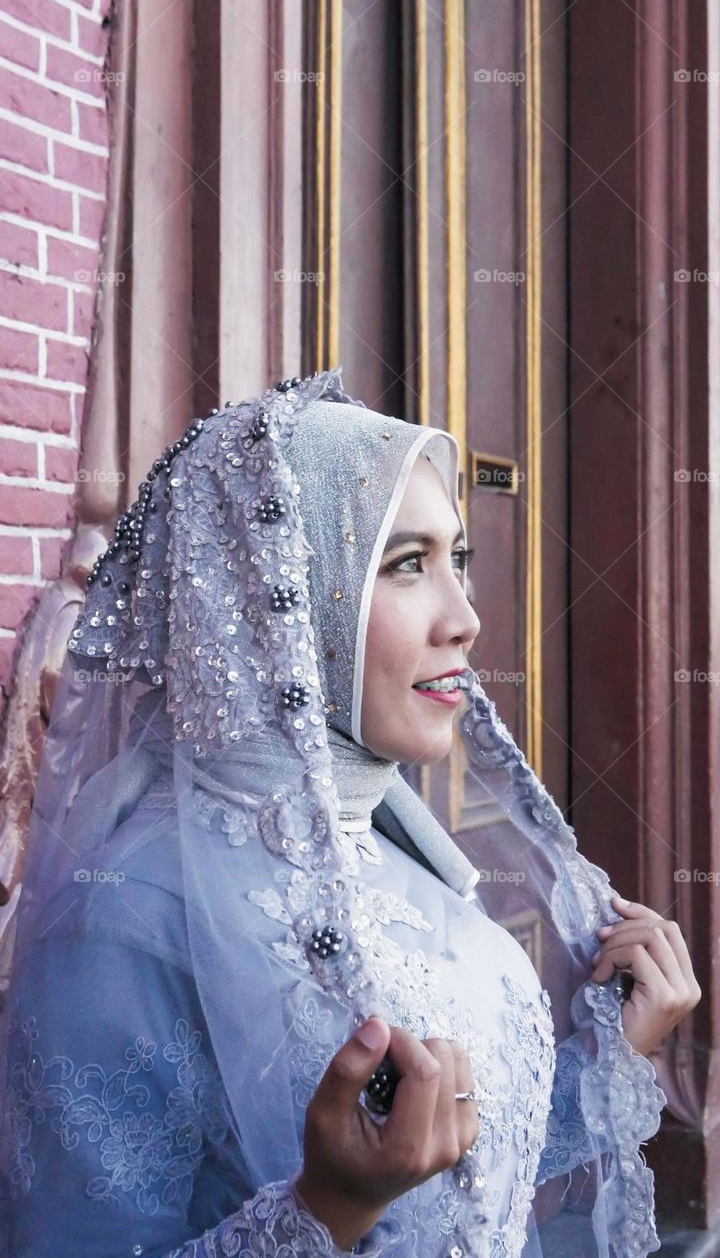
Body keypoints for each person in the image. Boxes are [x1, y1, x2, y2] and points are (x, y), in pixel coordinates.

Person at [0, 368, 700, 1257]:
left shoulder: (396, 855)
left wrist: (615, 1058)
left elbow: (460, 1188)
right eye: (406, 565)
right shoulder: (123, 920)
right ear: (271, 598)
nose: (466, 619)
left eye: (459, 561)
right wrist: (323, 1212)